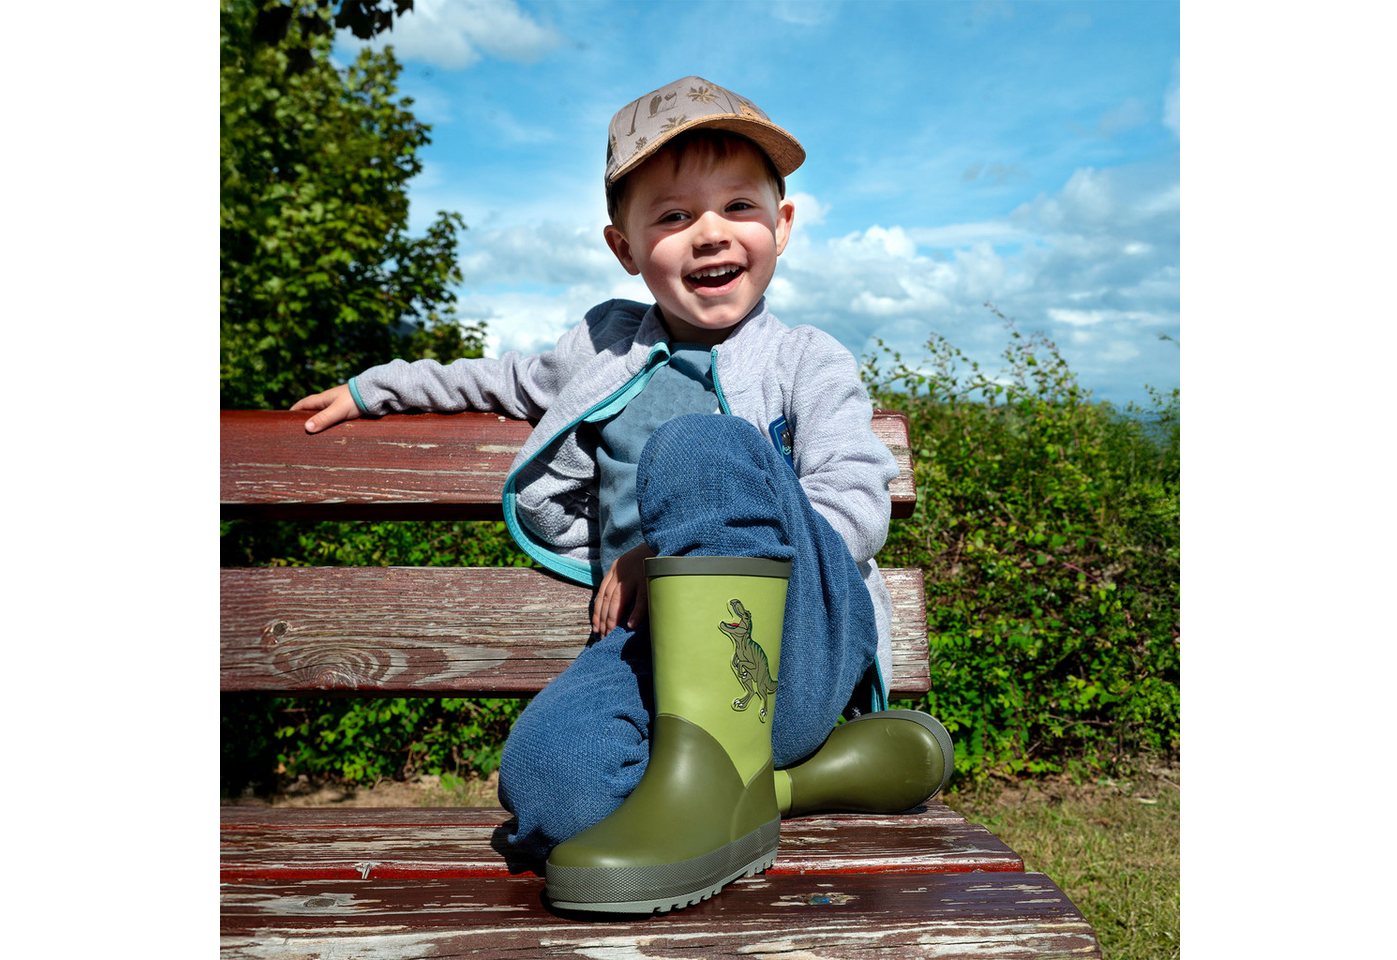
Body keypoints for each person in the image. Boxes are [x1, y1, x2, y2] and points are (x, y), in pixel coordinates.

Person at [292, 76, 954, 914]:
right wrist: (374, 389)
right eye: (673, 216)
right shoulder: (603, 347)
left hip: (792, 649)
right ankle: (785, 789)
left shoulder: (806, 359)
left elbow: (854, 503)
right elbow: (497, 378)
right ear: (626, 248)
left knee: (705, 450)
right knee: (547, 789)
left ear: (781, 228)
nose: (709, 233)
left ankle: (757, 766)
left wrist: (672, 546)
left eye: (738, 207)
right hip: (662, 661)